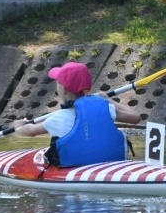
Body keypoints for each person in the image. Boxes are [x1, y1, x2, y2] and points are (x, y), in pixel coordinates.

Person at [13, 61, 141, 166]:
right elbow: (135, 118)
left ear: (62, 89)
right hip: (112, 164)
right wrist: (109, 100)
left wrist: (18, 126)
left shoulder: (58, 119)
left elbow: (29, 131)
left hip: (76, 169)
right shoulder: (107, 109)